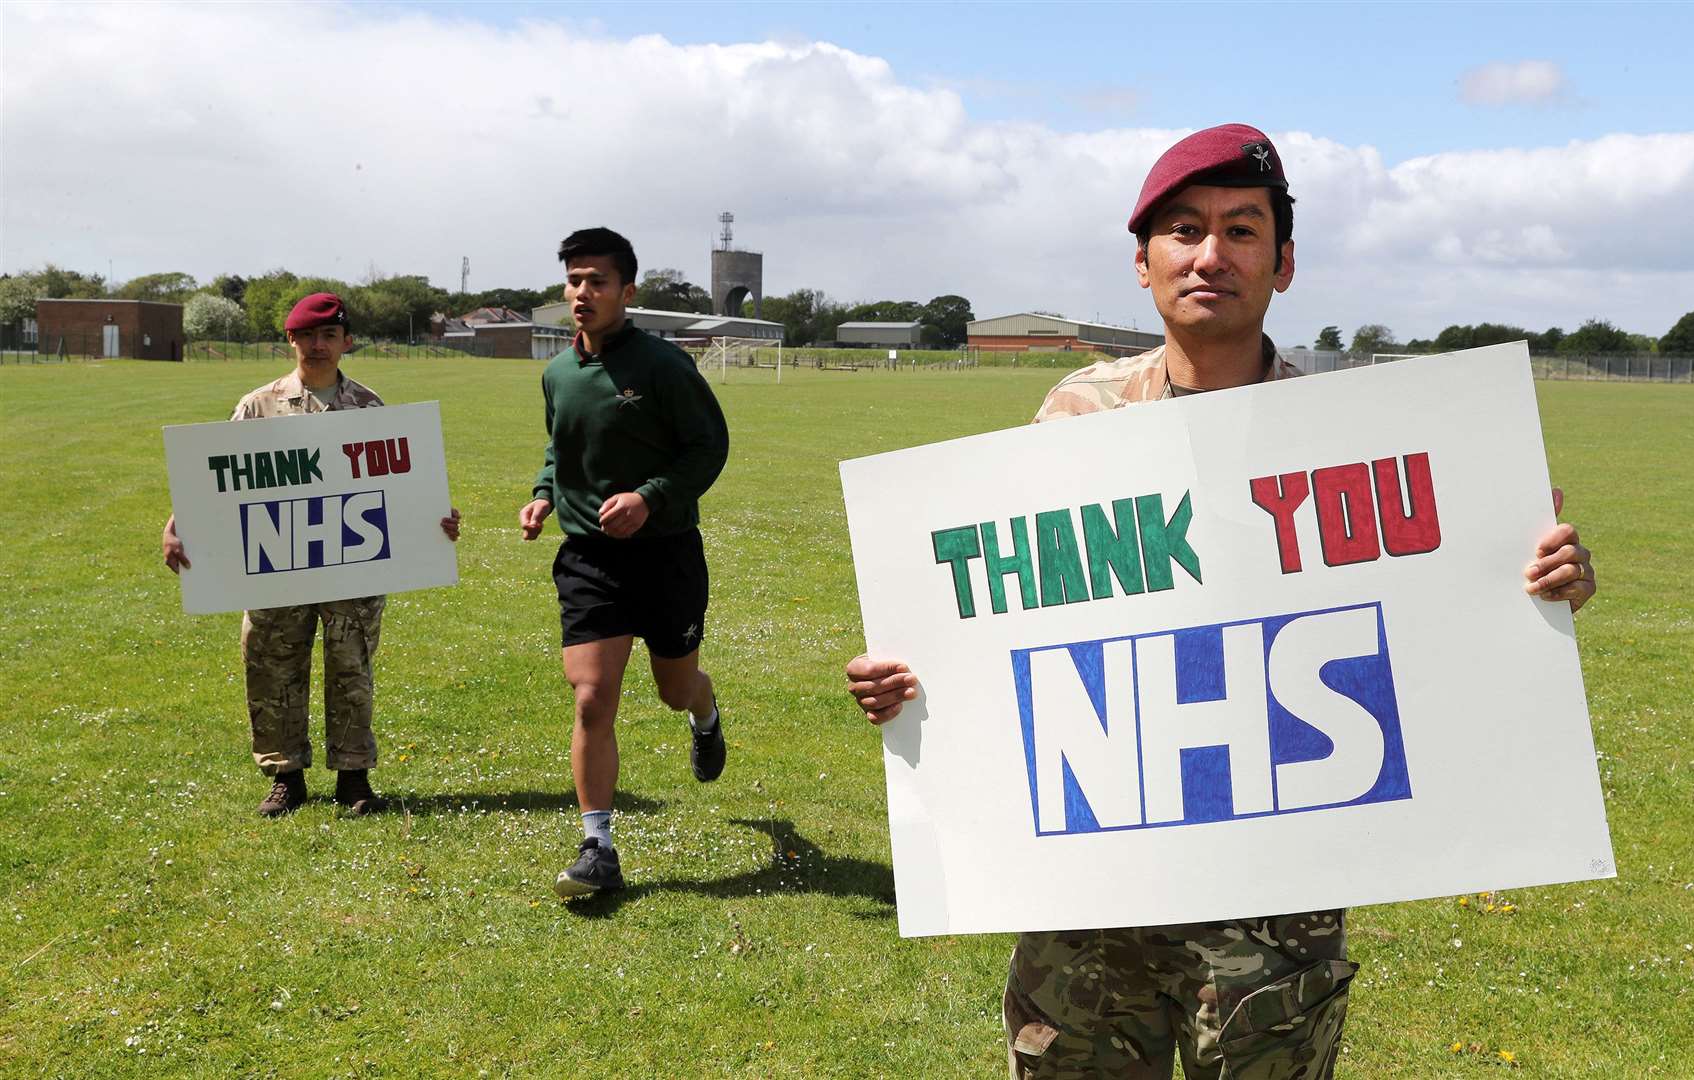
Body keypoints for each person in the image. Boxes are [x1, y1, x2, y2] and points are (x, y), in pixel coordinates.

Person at [845, 125, 1598, 1079]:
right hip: (1092, 900)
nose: (1211, 255)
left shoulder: (1356, 444)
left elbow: (1438, 630)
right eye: (1183, 230)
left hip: (1272, 917)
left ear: (1283, 265)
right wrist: (911, 682)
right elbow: (1010, 628)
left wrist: (1536, 584)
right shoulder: (1076, 416)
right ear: (1143, 261)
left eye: (1242, 231)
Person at [161, 292, 462, 817]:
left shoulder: (368, 408)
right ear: (291, 339)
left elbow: (400, 484)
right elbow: (216, 484)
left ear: (346, 342)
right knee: (273, 664)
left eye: (328, 336)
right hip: (277, 559)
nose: (317, 346)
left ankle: (353, 777)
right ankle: (285, 777)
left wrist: (434, 520)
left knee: (352, 667)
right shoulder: (258, 406)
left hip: (353, 562)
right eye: (306, 335)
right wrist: (176, 525)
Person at [519, 227, 731, 899]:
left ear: (626, 291)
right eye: (575, 281)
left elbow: (709, 448)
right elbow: (561, 449)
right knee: (590, 697)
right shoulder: (556, 374)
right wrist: (544, 495)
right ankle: (597, 845)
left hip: (666, 555)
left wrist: (650, 497)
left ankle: (705, 711)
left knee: (675, 689)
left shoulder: (664, 366)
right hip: (588, 558)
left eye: (598, 282)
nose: (583, 293)